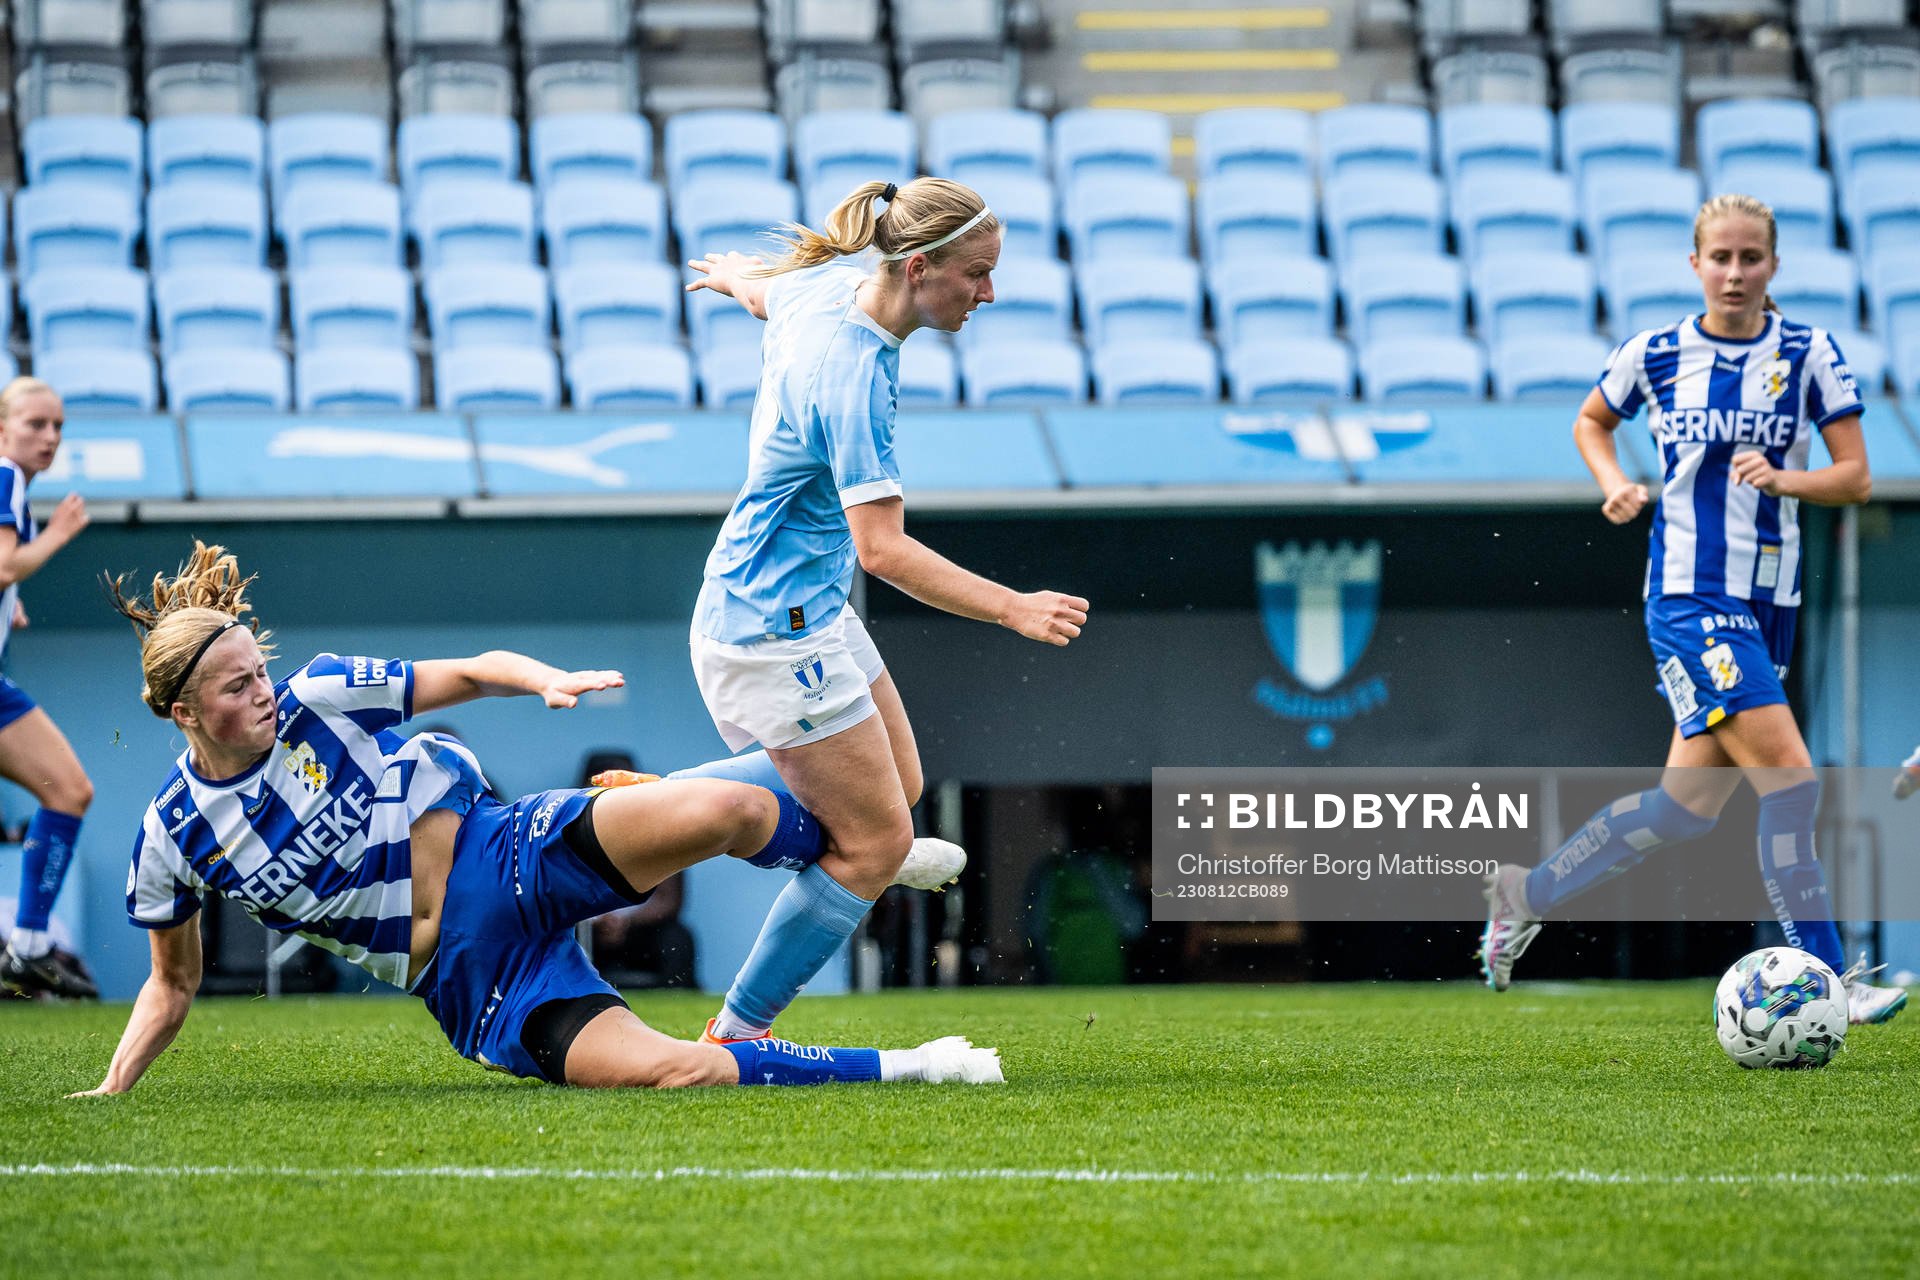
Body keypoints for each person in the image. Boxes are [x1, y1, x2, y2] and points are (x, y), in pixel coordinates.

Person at [71, 542, 1002, 1094]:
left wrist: (546, 680)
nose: (264, 694)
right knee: (678, 1072)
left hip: (503, 849)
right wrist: (115, 1088)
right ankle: (914, 1063)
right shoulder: (172, 838)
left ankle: (872, 847)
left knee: (731, 809)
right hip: (476, 981)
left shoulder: (320, 697)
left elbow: (471, 673)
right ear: (183, 714)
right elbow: (171, 983)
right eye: (238, 689)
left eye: (259, 671)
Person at [1477, 193, 1907, 1025]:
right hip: (1687, 594)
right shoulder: (1659, 352)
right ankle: (1828, 980)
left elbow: (1854, 477)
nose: (1736, 273)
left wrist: (1786, 478)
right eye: (1722, 258)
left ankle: (1525, 891)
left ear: (1774, 266)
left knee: (1684, 811)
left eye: (1752, 259)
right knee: (1791, 783)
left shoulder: (1810, 354)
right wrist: (1614, 486)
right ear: (1696, 264)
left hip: (1769, 600)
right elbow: (1591, 421)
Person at [681, 177, 1090, 1045]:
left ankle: (672, 804)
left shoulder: (824, 286)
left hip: (805, 610)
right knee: (872, 846)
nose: (989, 292)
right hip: (768, 629)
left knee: (897, 797)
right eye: (977, 274)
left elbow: (768, 293)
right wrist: (1011, 608)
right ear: (918, 266)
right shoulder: (853, 372)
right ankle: (739, 1032)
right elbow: (884, 551)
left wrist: (730, 281)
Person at [0, 377, 97, 999]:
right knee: (68, 789)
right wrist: (59, 534)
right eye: (36, 423)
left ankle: (28, 949)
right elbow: (5, 562)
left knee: (67, 790)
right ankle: (28, 947)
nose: (50, 436)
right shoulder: (5, 476)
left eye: (58, 426)